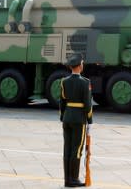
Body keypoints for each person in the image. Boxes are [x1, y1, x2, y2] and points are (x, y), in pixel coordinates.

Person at [60, 53, 93, 187]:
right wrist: (89, 119)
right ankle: (74, 179)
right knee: (77, 149)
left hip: (67, 117)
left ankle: (67, 179)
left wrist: (63, 117)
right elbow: (87, 104)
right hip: (79, 119)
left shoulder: (64, 81)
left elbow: (62, 102)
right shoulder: (85, 82)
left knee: (67, 148)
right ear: (79, 66)